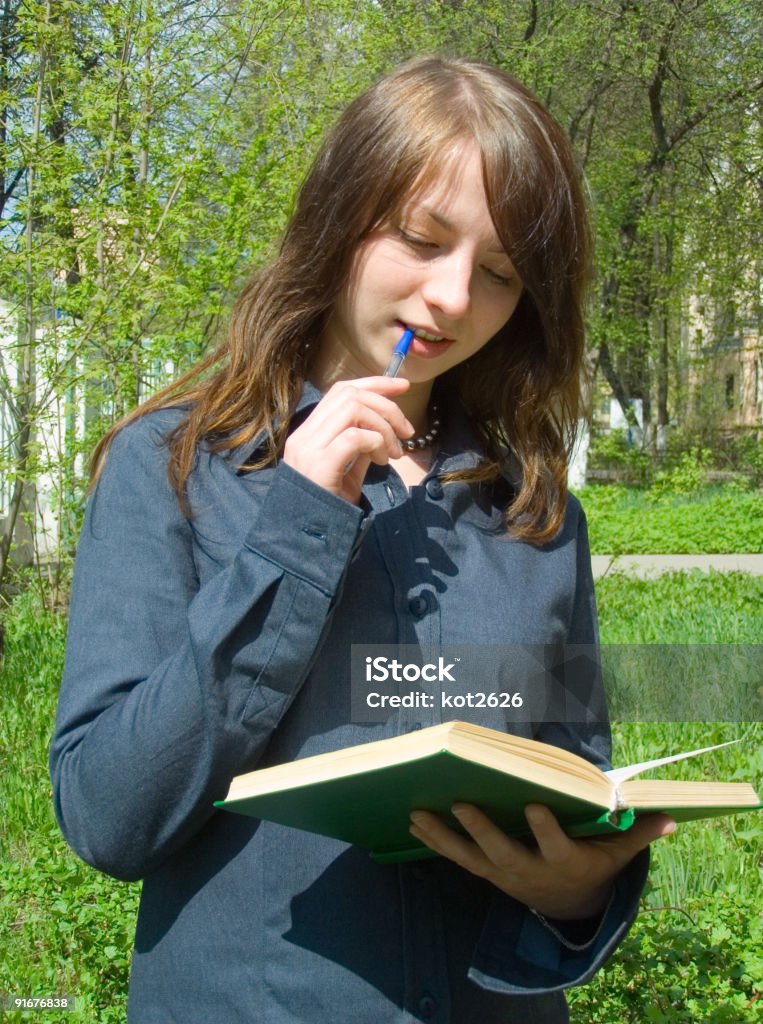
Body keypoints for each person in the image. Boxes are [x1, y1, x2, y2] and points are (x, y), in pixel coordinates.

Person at [50, 56, 675, 1023]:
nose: (451, 300)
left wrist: (577, 895)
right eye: (421, 240)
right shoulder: (173, 466)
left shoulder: (532, 512)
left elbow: (576, 782)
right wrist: (296, 525)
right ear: (339, 213)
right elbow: (107, 816)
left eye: (500, 274)